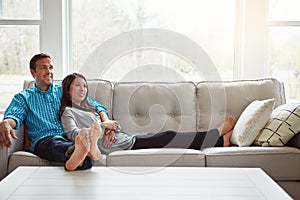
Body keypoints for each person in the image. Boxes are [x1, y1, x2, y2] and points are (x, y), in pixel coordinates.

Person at [59, 73, 236, 154]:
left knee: (167, 136)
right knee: (169, 136)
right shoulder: (68, 113)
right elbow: (74, 135)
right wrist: (105, 126)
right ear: (68, 90)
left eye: (84, 85)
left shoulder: (89, 109)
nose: (82, 89)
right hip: (120, 146)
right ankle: (218, 134)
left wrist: (111, 129)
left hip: (125, 138)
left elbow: (110, 125)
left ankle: (220, 140)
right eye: (77, 85)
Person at [0, 53, 105, 171]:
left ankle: (79, 157)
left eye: (51, 67)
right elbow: (14, 116)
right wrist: (6, 123)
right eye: (43, 67)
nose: (49, 71)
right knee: (61, 146)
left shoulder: (63, 90)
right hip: (45, 140)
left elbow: (92, 104)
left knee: (82, 155)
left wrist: (106, 120)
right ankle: (85, 151)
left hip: (68, 138)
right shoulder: (24, 97)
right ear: (33, 72)